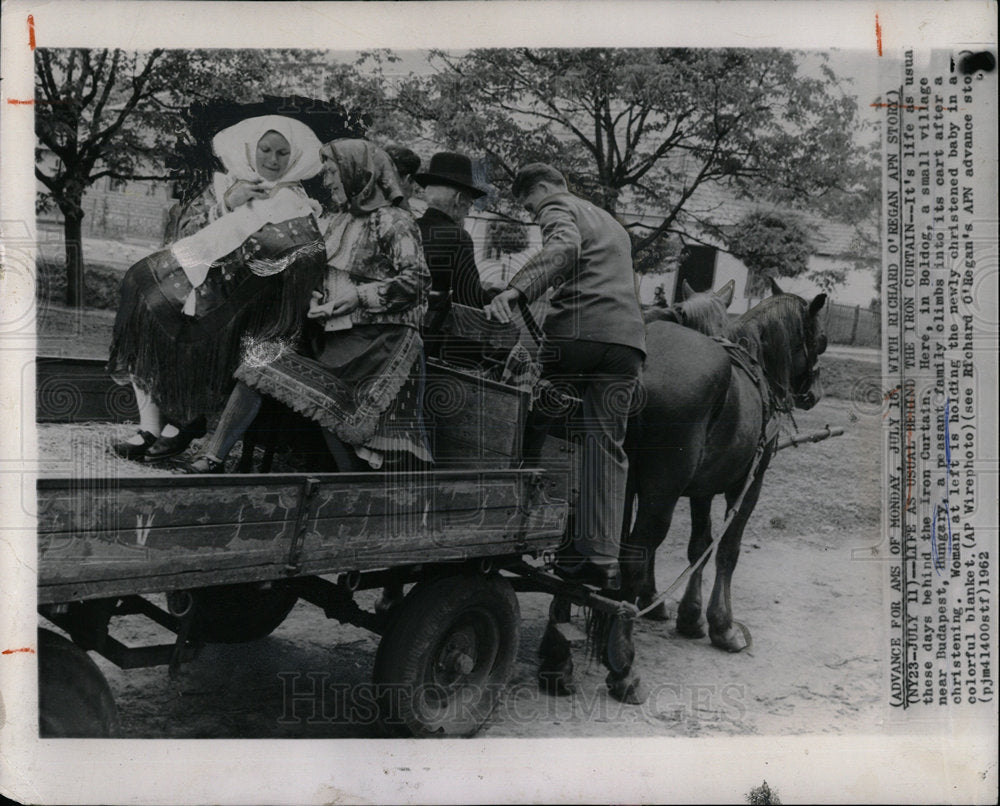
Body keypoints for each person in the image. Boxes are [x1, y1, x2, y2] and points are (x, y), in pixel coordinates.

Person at [185, 139, 432, 474]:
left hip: (377, 341)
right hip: (333, 333)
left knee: (334, 413)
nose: (327, 181)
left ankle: (351, 488)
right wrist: (316, 294)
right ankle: (213, 457)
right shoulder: (338, 219)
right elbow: (318, 269)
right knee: (259, 362)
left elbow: (418, 281)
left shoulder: (393, 221)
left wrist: (358, 297)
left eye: (332, 172)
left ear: (356, 172)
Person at [108, 115, 326, 461]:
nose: (272, 160)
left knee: (201, 337)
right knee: (144, 302)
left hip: (248, 304)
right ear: (249, 149)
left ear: (294, 157)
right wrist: (228, 203)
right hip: (198, 284)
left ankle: (184, 420)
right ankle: (149, 426)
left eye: (282, 153)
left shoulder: (297, 202)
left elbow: (301, 257)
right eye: (265, 150)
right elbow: (185, 236)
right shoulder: (224, 185)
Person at [484, 163, 646, 589]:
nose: (535, 216)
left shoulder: (560, 207)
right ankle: (600, 557)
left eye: (530, 206)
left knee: (522, 410)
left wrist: (515, 290)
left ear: (541, 188)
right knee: (605, 444)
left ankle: (505, 519)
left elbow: (565, 248)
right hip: (627, 344)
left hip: (578, 337)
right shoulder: (612, 222)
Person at [411, 151, 496, 362]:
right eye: (469, 203)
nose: (468, 211)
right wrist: (495, 297)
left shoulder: (409, 228)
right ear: (458, 200)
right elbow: (468, 298)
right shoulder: (458, 237)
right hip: (429, 343)